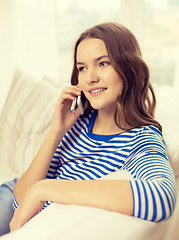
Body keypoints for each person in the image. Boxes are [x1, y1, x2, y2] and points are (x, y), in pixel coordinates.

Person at [1, 22, 177, 235]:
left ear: (130, 68)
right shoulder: (78, 123)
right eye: (82, 68)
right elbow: (20, 195)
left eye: (103, 63)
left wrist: (47, 189)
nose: (90, 78)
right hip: (10, 196)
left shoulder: (142, 139)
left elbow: (161, 196)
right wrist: (56, 131)